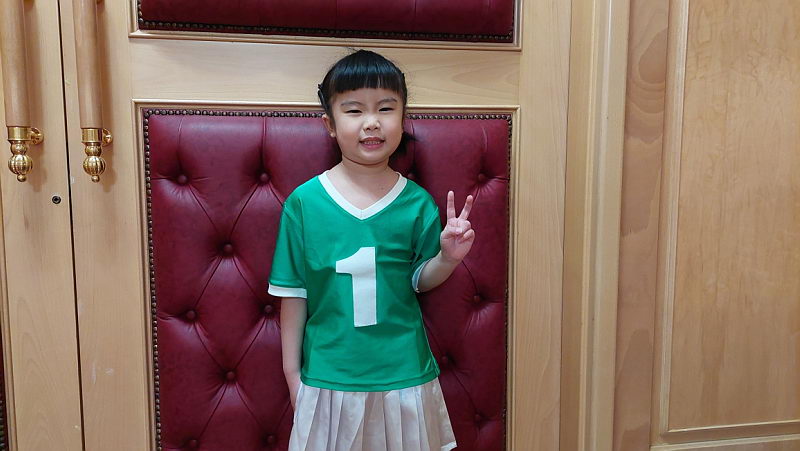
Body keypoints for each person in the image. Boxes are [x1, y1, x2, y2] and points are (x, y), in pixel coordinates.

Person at [268, 49, 475, 451]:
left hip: (405, 374)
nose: (371, 122)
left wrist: (447, 258)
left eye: (385, 108)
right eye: (354, 110)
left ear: (403, 117)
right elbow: (293, 295)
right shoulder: (304, 203)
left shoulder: (417, 202)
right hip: (329, 376)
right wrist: (293, 377)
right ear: (330, 124)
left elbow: (419, 279)